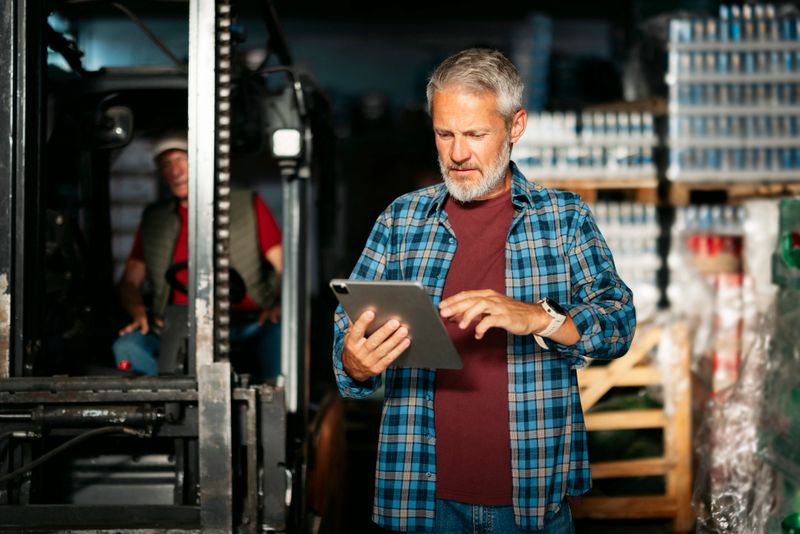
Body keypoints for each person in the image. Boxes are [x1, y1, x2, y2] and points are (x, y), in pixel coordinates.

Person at [331, 49, 636, 533]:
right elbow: (348, 335)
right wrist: (355, 363)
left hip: (533, 498)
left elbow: (618, 324)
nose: (456, 153)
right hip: (422, 497)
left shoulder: (563, 218)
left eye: (475, 135)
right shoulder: (401, 219)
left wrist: (541, 318)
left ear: (515, 127)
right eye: (444, 133)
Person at [114, 130, 282, 378]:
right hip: (174, 325)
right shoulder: (154, 218)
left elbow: (284, 265)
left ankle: (278, 407)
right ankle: (166, 405)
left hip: (242, 323)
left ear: (204, 162)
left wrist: (277, 303)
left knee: (281, 336)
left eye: (182, 159)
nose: (175, 171)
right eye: (167, 164)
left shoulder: (246, 204)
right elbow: (129, 281)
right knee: (127, 346)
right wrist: (138, 311)